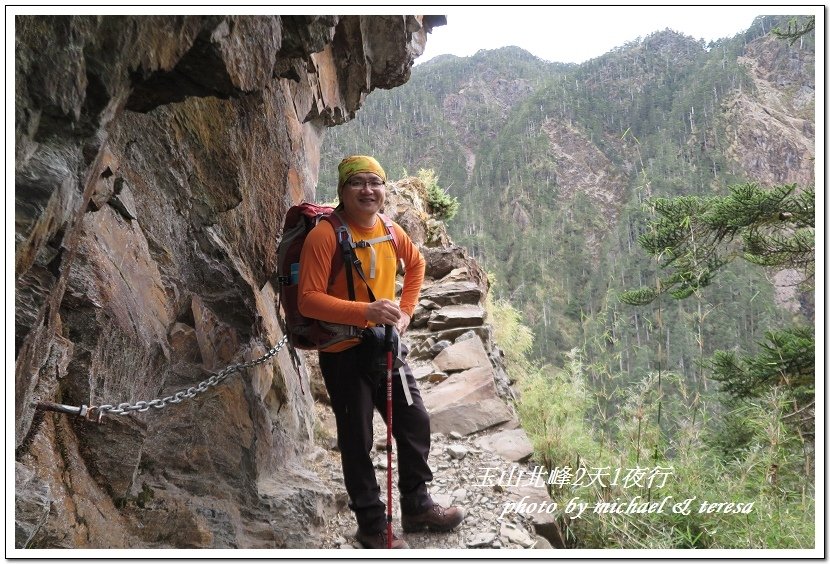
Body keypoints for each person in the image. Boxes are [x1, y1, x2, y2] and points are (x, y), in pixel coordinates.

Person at [298, 155, 465, 549]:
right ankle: (373, 526)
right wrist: (367, 312)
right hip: (342, 351)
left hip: (384, 345)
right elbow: (307, 300)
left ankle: (417, 505)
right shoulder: (324, 237)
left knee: (414, 421)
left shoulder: (390, 230)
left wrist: (404, 315)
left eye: (375, 182)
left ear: (385, 191)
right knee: (357, 438)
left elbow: (417, 264)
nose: (368, 190)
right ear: (342, 190)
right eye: (357, 182)